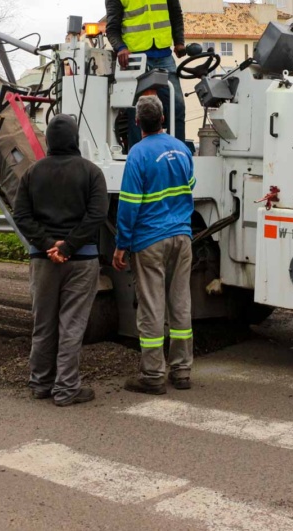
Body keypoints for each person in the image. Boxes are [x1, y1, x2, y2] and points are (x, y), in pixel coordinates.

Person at [13, 114, 108, 407]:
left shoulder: (32, 173)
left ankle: (40, 383)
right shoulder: (92, 172)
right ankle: (66, 389)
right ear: (75, 139)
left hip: (43, 261)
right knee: (72, 325)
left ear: (49, 141)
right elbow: (97, 215)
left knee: (43, 323)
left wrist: (47, 244)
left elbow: (21, 216)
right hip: (81, 262)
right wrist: (68, 247)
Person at [112, 96, 196, 394]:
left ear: (137, 123)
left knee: (151, 306)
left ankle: (152, 376)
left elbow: (130, 203)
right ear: (163, 119)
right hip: (182, 237)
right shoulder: (182, 149)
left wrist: (122, 244)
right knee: (180, 302)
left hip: (149, 240)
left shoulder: (137, 154)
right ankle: (182, 371)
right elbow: (191, 185)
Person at [105, 0, 187, 145]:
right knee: (137, 109)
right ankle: (136, 151)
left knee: (176, 105)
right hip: (135, 58)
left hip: (164, 55)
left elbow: (175, 13)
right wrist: (121, 48)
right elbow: (112, 28)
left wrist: (179, 41)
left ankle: (178, 149)